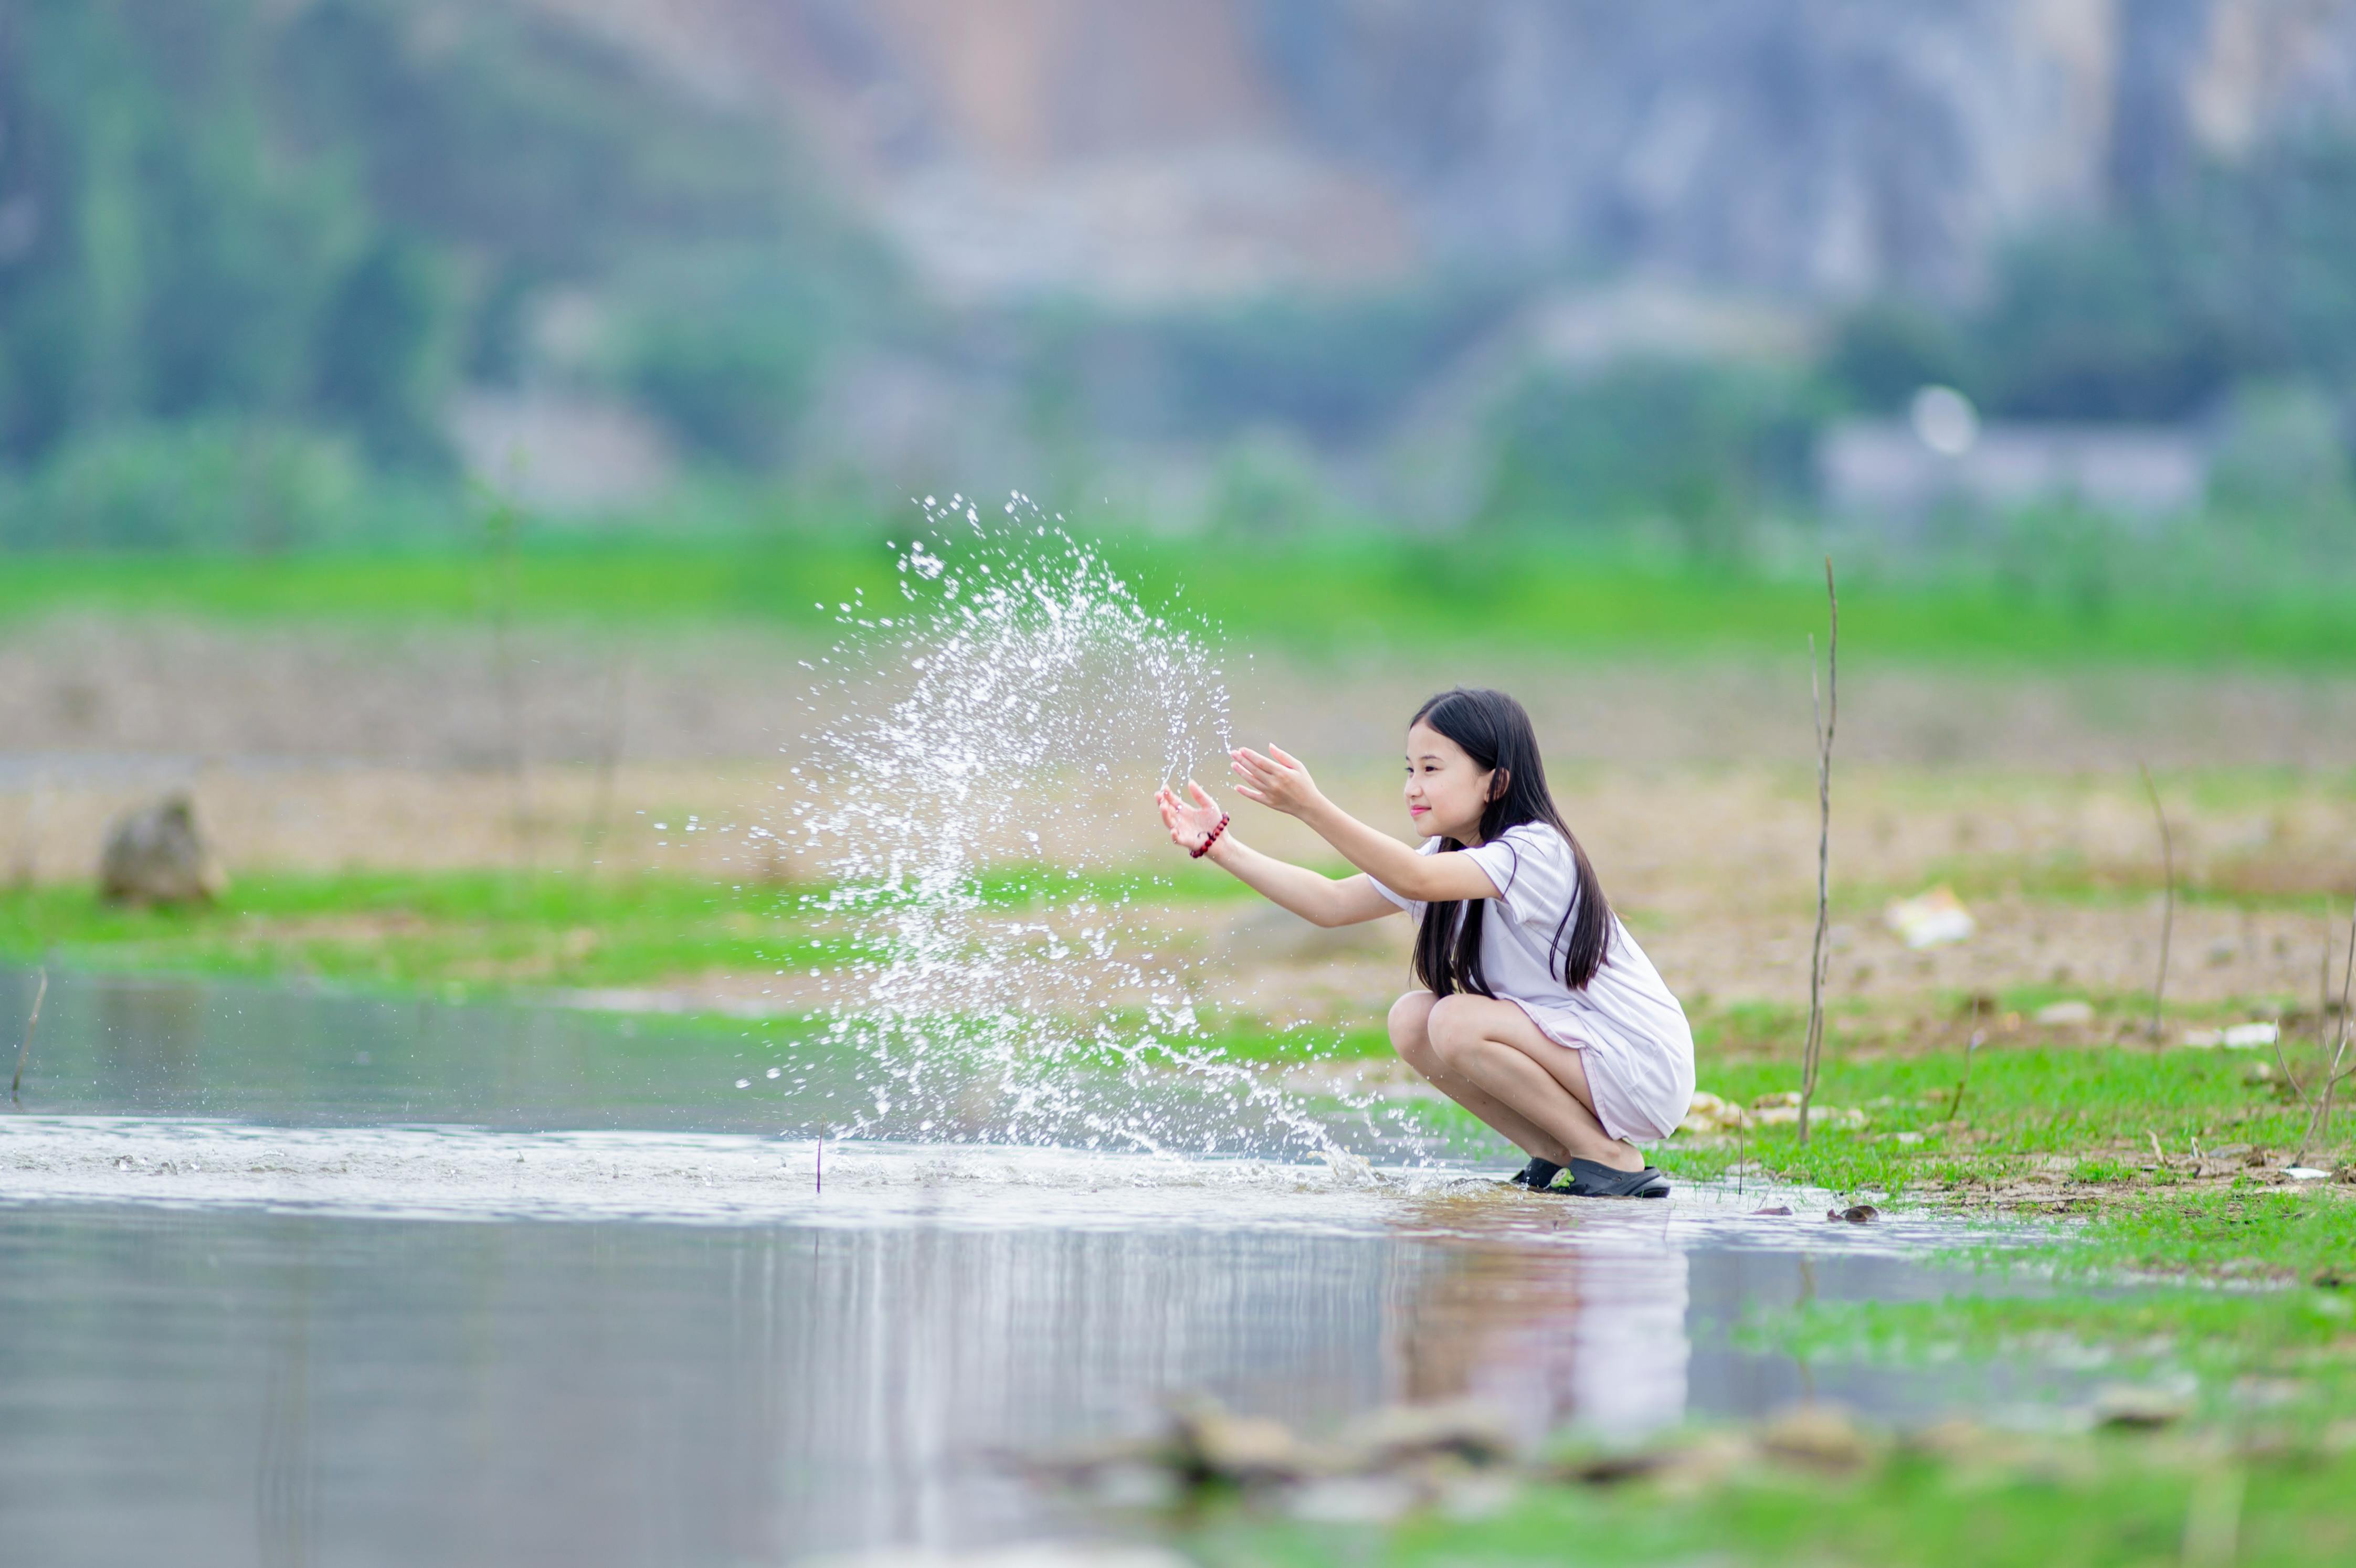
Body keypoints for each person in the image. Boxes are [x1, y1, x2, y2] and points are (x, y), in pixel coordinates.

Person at [1156, 687, 1694, 1196]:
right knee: (1412, 1020)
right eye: (1409, 770)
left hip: (1639, 1064)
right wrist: (1221, 847)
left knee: (1453, 1020)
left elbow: (1416, 883)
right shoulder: (1446, 855)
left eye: (1432, 770)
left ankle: (1609, 1159)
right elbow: (1331, 904)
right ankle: (1558, 1149)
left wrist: (1310, 807)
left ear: (1496, 781)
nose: (1413, 787)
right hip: (1577, 1055)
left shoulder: (1535, 851)